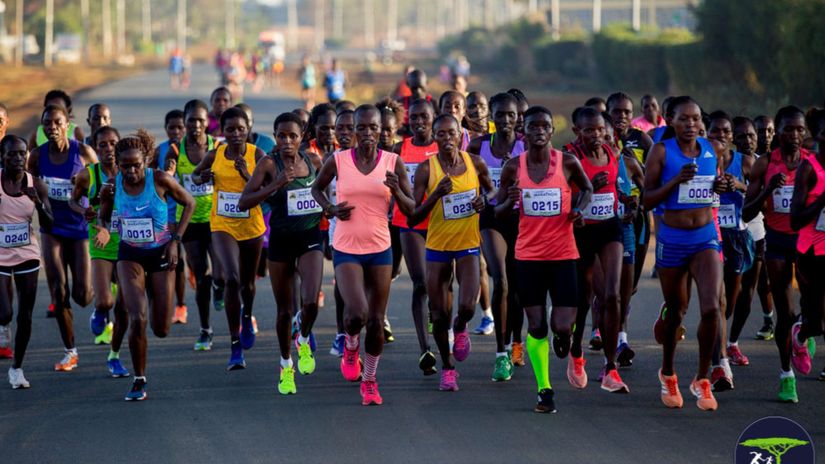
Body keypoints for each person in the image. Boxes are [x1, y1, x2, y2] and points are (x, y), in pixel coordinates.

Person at [311, 104, 414, 405]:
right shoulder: (338, 160)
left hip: (380, 248)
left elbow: (409, 209)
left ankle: (369, 380)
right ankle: (351, 345)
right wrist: (329, 210)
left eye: (374, 128)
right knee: (357, 313)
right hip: (346, 247)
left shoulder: (394, 162)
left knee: (377, 320)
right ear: (353, 130)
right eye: (362, 128)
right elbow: (316, 189)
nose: (368, 133)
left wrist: (397, 191)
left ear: (382, 130)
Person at [495, 106, 593, 412]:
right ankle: (544, 389)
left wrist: (580, 208)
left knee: (563, 326)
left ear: (552, 131)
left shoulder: (567, 163)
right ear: (523, 131)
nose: (539, 131)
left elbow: (587, 188)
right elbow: (496, 212)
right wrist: (508, 202)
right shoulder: (513, 167)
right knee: (537, 326)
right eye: (533, 126)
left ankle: (563, 338)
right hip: (528, 257)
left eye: (545, 126)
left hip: (564, 255)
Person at [98, 130, 195, 401]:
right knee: (137, 317)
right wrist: (103, 227)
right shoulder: (112, 186)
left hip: (162, 254)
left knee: (161, 329)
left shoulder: (160, 180)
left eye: (136, 165)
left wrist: (176, 240)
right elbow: (104, 217)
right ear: (117, 164)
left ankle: (154, 291)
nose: (131, 171)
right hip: (129, 255)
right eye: (125, 166)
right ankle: (139, 380)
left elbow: (190, 202)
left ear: (146, 161)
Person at [644, 96, 728, 411]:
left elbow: (715, 184)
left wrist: (721, 186)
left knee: (710, 309)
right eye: (684, 119)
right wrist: (675, 182)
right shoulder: (661, 152)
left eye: (695, 119)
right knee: (677, 310)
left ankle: (703, 379)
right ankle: (667, 372)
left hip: (705, 238)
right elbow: (647, 201)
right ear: (670, 121)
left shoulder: (712, 149)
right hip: (673, 238)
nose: (691, 125)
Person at [239, 112, 324, 394]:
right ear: (275, 136)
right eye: (281, 135)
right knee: (284, 311)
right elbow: (244, 202)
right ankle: (286, 364)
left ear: (302, 137)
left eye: (292, 136)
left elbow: (323, 194)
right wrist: (276, 184)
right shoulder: (267, 164)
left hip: (310, 236)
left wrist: (332, 210)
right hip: (281, 240)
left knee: (310, 302)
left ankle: (303, 339)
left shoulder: (313, 161)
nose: (287, 141)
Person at [408, 113, 494, 391]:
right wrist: (436, 196)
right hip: (437, 248)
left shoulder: (475, 163)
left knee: (467, 306)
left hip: (468, 245)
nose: (447, 139)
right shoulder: (426, 169)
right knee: (439, 314)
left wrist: (484, 200)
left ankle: (461, 327)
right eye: (441, 134)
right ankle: (447, 368)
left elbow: (493, 192)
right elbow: (412, 216)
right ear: (435, 137)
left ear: (460, 135)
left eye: (451, 133)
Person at [743, 106, 813, 403]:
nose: (794, 135)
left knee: (813, 310)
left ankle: (803, 332)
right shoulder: (763, 165)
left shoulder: (813, 164)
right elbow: (746, 212)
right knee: (785, 312)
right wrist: (767, 190)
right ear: (778, 131)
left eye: (799, 129)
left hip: (809, 241)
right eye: (788, 129)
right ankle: (787, 376)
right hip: (777, 240)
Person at [191, 107, 266, 370]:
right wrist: (203, 177)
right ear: (222, 131)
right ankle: (235, 344)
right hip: (222, 224)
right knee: (232, 278)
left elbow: (268, 188)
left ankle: (247, 316)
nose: (235, 134)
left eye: (240, 129)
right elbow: (195, 176)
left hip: (252, 227)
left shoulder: (258, 154)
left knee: (247, 284)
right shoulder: (216, 154)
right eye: (230, 129)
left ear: (248, 130)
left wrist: (247, 174)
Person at [27, 104, 97, 371]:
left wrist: (96, 206)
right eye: (47, 123)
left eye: (57, 123)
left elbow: (100, 179)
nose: (52, 127)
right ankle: (70, 351)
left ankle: (99, 308)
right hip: (52, 228)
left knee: (82, 296)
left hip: (79, 228)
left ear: (67, 125)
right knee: (59, 290)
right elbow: (29, 184)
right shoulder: (36, 156)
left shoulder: (83, 152)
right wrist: (35, 202)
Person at [565, 107, 630, 393]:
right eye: (588, 130)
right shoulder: (569, 158)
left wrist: (627, 199)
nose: (595, 134)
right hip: (581, 232)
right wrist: (585, 192)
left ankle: (610, 367)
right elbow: (562, 197)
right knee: (583, 299)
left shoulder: (611, 152)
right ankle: (576, 351)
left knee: (612, 295)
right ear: (576, 131)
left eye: (599, 129)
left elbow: (617, 186)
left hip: (610, 227)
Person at [467, 92, 526, 379]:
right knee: (500, 279)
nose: (505, 120)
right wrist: (476, 199)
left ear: (518, 118)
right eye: (499, 114)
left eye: (510, 115)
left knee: (518, 287)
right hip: (491, 218)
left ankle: (517, 342)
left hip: (523, 220)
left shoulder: (526, 147)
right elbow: (466, 179)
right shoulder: (479, 145)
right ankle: (501, 353)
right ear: (491, 117)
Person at [68, 126, 129, 377]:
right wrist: (84, 211)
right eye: (102, 145)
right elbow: (73, 200)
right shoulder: (87, 175)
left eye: (113, 144)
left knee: (125, 308)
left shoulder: (130, 173)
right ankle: (100, 309)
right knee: (105, 300)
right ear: (95, 147)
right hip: (101, 244)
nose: (108, 149)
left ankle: (114, 355)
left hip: (128, 245)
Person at [165, 99, 222, 351]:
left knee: (220, 273)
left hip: (216, 219)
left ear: (207, 122)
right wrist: (168, 175)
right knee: (201, 275)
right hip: (188, 222)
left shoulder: (217, 147)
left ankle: (220, 286)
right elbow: (167, 179)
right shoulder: (175, 151)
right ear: (185, 123)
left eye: (201, 120)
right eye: (191, 121)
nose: (196, 125)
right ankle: (205, 330)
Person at [0, 135, 53, 388]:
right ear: (3, 156)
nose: (18, 159)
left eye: (22, 153)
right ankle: (3, 326)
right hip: (0, 254)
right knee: (5, 312)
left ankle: (17, 368)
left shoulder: (36, 184)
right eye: (12, 154)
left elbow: (50, 224)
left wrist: (38, 204)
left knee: (26, 315)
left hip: (27, 253)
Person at [390, 99, 438, 375]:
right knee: (420, 282)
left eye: (425, 117)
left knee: (441, 284)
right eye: (415, 117)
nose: (419, 121)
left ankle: (443, 322)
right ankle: (424, 349)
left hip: (441, 223)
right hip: (407, 221)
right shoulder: (400, 149)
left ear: (433, 118)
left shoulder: (443, 146)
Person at [707, 110, 752, 391]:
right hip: (709, 235)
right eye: (715, 131)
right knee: (715, 302)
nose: (721, 136)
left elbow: (758, 193)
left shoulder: (743, 162)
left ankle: (720, 350)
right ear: (707, 133)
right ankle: (719, 363)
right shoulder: (702, 160)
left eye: (725, 131)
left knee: (728, 304)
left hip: (736, 235)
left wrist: (738, 185)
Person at [728, 117, 774, 355]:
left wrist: (741, 186)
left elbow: (767, 201)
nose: (748, 140)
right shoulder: (726, 161)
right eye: (742, 136)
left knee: (749, 288)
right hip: (727, 234)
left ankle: (732, 343)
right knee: (728, 295)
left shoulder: (765, 163)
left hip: (756, 232)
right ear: (732, 139)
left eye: (751, 136)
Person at [608, 92, 654, 299]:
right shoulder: (602, 137)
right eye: (616, 111)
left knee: (631, 279)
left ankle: (624, 304)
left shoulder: (641, 139)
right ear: (608, 113)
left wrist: (641, 206)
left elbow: (655, 173)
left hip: (637, 211)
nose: (621, 116)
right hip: (608, 209)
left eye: (626, 112)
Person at [791, 107, 825, 383]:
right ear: (818, 135)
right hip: (811, 252)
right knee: (817, 319)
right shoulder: (808, 168)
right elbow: (795, 218)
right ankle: (801, 334)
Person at [153, 110, 188, 324]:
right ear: (165, 128)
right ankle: (180, 305)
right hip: (167, 213)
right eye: (171, 127)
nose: (176, 131)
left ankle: (180, 301)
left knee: (188, 259)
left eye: (180, 127)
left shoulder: (192, 149)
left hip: (191, 211)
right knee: (175, 259)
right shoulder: (160, 151)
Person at [325, 109, 355, 357]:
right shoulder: (332, 159)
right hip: (340, 230)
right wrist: (330, 209)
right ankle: (341, 333)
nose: (344, 133)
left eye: (349, 128)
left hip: (371, 231)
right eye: (340, 128)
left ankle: (359, 331)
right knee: (342, 283)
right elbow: (318, 190)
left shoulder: (374, 159)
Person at [399, 69, 432, 134]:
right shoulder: (400, 104)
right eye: (414, 88)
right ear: (408, 84)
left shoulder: (433, 104)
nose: (418, 91)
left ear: (427, 83)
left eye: (421, 87)